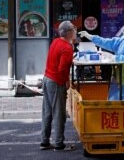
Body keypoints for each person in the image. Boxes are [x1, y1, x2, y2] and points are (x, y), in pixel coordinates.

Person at [78, 20, 124, 100]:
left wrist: (113, 57)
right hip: (120, 73)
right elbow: (106, 42)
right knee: (115, 99)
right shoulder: (122, 40)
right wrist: (90, 37)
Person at [40, 20, 76, 151]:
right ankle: (59, 143)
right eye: (73, 29)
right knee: (59, 114)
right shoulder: (67, 48)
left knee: (47, 112)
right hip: (56, 81)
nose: (75, 31)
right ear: (68, 33)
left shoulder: (55, 42)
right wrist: (66, 82)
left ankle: (44, 141)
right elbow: (62, 69)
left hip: (47, 78)